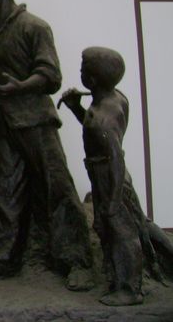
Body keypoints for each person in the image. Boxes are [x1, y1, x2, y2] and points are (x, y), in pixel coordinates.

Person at [0, 0, 94, 291]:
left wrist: (20, 87)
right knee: (5, 190)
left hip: (35, 122)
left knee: (57, 188)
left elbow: (51, 76)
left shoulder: (34, 27)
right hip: (4, 126)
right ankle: (4, 257)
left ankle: (77, 261)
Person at [59, 47, 173, 306]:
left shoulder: (102, 119)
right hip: (113, 174)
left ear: (92, 80)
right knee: (138, 222)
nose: (79, 72)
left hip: (109, 175)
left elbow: (114, 156)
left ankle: (129, 289)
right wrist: (77, 108)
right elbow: (96, 136)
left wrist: (112, 200)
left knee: (121, 230)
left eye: (82, 69)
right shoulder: (116, 97)